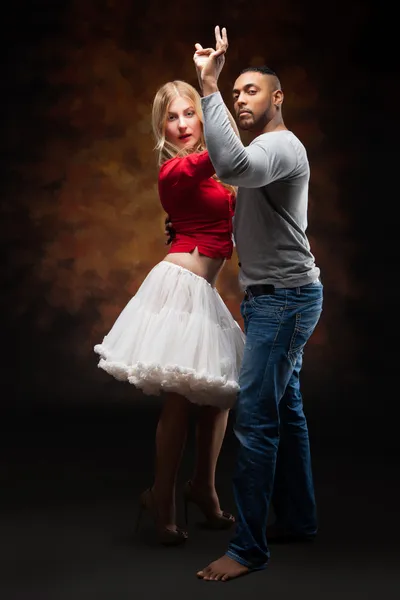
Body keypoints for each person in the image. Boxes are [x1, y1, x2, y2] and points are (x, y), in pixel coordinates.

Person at [184, 26, 323, 580]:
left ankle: (247, 548)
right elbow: (245, 197)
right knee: (285, 411)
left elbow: (234, 169)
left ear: (277, 98)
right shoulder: (263, 149)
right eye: (235, 91)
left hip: (285, 301)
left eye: (251, 91)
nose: (241, 99)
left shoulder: (281, 146)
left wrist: (210, 85)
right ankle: (297, 520)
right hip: (274, 299)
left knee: (257, 421)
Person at [94, 79, 245, 546]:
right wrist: (215, 94)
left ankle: (202, 486)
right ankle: (162, 497)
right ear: (162, 127)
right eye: (172, 117)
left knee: (219, 394)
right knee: (180, 398)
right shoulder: (175, 171)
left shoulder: (213, 174)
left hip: (204, 290)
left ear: (199, 119)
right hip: (180, 289)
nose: (182, 124)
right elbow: (223, 156)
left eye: (189, 114)